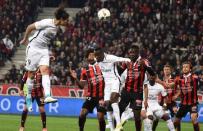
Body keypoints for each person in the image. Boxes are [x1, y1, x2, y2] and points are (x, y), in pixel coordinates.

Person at [20, 7, 69, 111]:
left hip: (44, 50)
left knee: (45, 71)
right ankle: (28, 96)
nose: (67, 22)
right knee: (31, 74)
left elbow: (45, 40)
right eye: (66, 20)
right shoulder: (47, 22)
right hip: (33, 48)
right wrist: (25, 39)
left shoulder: (56, 28)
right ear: (61, 19)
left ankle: (47, 96)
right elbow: (30, 27)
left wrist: (48, 55)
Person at [118, 45, 155, 131]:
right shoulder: (127, 62)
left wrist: (150, 76)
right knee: (119, 110)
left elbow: (152, 73)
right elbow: (119, 72)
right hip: (126, 91)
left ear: (137, 53)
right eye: (130, 53)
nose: (131, 54)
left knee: (137, 116)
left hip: (137, 93)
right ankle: (117, 128)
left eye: (133, 52)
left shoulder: (144, 61)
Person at [94, 46, 130, 131]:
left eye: (98, 55)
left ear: (102, 54)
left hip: (115, 80)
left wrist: (130, 61)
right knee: (107, 104)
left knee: (113, 98)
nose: (96, 57)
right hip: (107, 83)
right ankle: (112, 127)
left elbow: (122, 59)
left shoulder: (110, 58)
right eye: (95, 55)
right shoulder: (97, 60)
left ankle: (118, 124)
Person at [69, 48, 106, 131]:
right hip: (91, 96)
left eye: (93, 54)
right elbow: (81, 86)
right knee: (82, 113)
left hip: (101, 96)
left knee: (100, 116)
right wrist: (75, 78)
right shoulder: (85, 70)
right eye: (90, 54)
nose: (92, 55)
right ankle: (81, 129)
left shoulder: (101, 65)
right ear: (87, 58)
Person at [173, 61, 200, 131]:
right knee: (176, 121)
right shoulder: (178, 79)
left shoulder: (195, 77)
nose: (184, 68)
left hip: (193, 103)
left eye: (186, 67)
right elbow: (172, 86)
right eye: (183, 67)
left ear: (190, 69)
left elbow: (200, 79)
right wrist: (176, 95)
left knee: (194, 118)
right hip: (183, 104)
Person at [152, 64, 178, 131]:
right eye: (165, 69)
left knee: (177, 117)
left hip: (171, 101)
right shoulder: (160, 78)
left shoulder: (174, 79)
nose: (166, 71)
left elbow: (178, 88)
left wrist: (176, 95)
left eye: (168, 69)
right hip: (161, 101)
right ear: (163, 71)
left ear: (170, 71)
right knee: (156, 119)